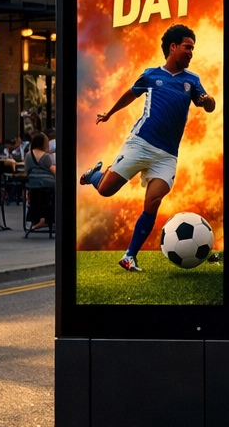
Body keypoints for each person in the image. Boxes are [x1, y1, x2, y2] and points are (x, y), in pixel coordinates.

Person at [78, 24, 216, 272]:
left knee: (153, 200)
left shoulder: (192, 80)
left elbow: (207, 105)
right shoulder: (151, 75)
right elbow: (130, 94)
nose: (190, 52)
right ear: (173, 47)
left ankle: (130, 256)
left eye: (193, 48)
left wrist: (208, 101)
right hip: (140, 143)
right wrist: (109, 113)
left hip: (166, 155)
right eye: (187, 47)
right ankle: (94, 175)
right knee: (107, 190)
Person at [22, 131, 55, 235]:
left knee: (36, 194)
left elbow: (26, 170)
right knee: (54, 194)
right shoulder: (47, 156)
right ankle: (49, 219)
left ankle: (37, 218)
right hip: (48, 183)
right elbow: (52, 170)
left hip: (32, 184)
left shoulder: (28, 155)